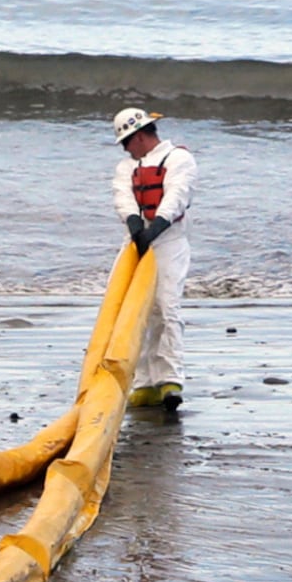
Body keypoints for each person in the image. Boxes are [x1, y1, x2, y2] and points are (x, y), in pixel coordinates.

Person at [108, 107, 194, 413]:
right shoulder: (125, 167)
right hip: (136, 243)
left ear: (139, 136)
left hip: (169, 240)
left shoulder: (179, 159)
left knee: (165, 307)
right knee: (130, 310)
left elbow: (177, 195)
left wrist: (157, 226)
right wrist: (134, 225)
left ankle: (169, 381)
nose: (126, 149)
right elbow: (123, 195)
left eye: (126, 142)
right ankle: (144, 383)